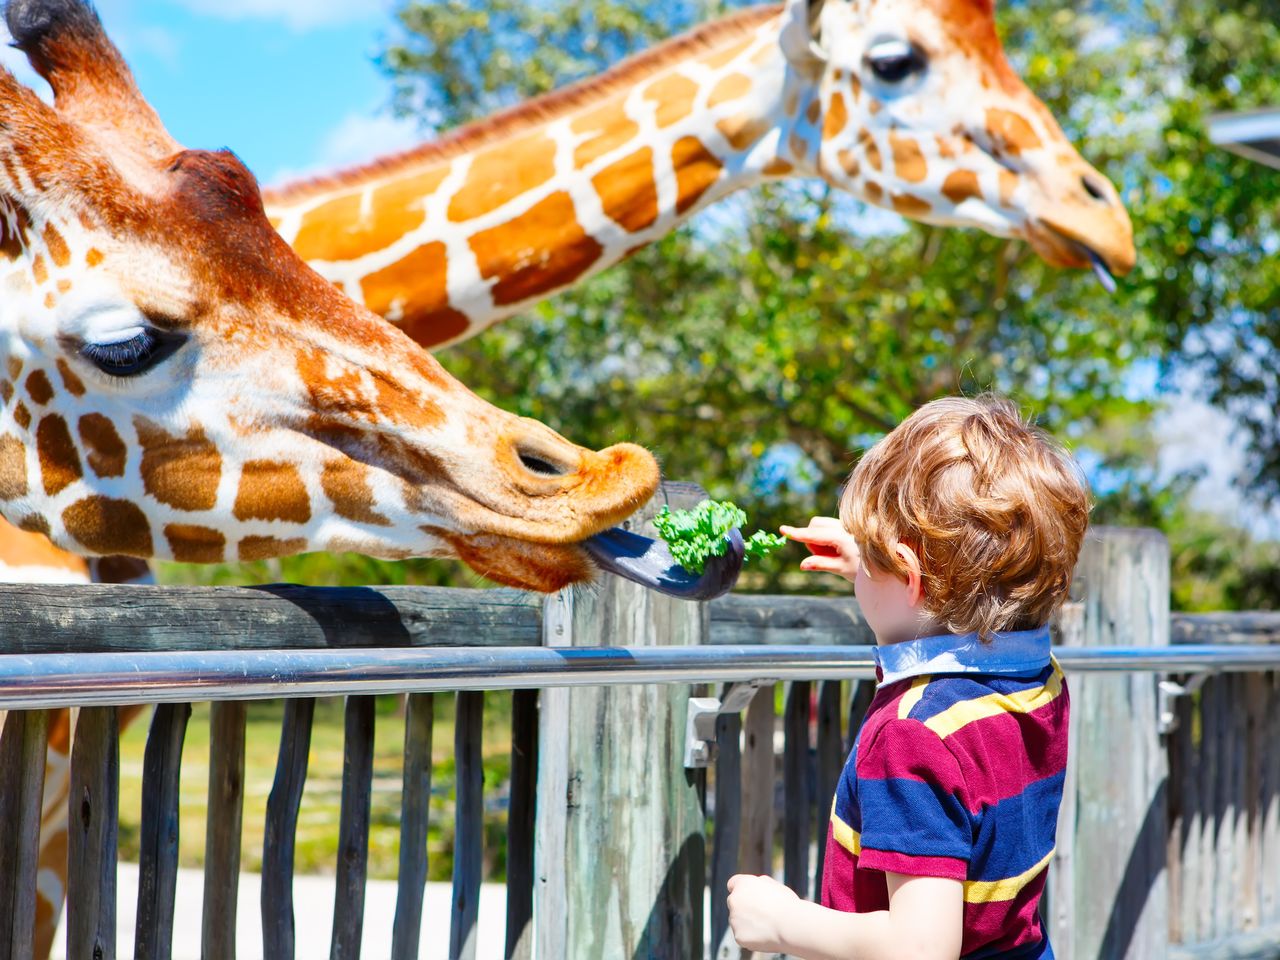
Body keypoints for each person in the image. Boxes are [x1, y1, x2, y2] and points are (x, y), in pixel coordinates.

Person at [726, 395, 1088, 960]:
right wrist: (875, 562)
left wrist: (783, 922)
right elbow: (944, 618)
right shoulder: (1040, 682)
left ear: (910, 575)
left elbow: (920, 948)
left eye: (872, 558)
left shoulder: (914, 735)